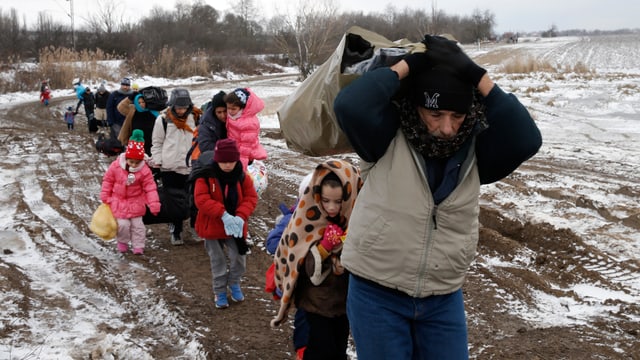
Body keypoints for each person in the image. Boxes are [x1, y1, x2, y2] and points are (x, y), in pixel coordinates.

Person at [333, 35, 543, 359]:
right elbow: (349, 105)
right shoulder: (385, 134)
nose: (447, 128)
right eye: (436, 115)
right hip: (377, 293)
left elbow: (527, 138)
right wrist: (409, 66)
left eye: (457, 117)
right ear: (417, 107)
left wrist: (476, 74)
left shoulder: (477, 148)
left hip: (442, 298)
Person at [271, 159, 363, 360]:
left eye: (338, 202)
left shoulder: (357, 220)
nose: (331, 208)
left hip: (344, 302)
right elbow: (304, 266)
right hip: (316, 303)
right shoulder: (308, 220)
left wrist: (345, 255)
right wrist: (324, 249)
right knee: (320, 350)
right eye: (326, 200)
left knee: (339, 349)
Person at [193, 138, 258, 309]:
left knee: (239, 258)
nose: (227, 165)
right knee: (218, 261)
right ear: (217, 159)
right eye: (223, 161)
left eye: (231, 161)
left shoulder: (242, 176)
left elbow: (251, 197)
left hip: (235, 226)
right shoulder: (206, 176)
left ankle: (234, 282)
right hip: (212, 225)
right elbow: (201, 199)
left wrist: (240, 216)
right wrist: (222, 214)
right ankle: (220, 291)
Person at [265, 172, 313, 360]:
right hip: (302, 280)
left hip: (330, 287)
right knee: (305, 318)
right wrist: (297, 250)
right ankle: (302, 352)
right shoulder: (293, 218)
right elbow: (273, 242)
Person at [150, 87, 202, 245]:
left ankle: (195, 227)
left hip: (192, 168)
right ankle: (176, 231)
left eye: (184, 108)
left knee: (195, 200)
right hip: (170, 168)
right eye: (178, 108)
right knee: (173, 202)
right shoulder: (163, 120)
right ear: (172, 105)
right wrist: (159, 160)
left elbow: (202, 141)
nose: (181, 111)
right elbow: (157, 143)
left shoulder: (197, 118)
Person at [100, 129, 161, 255]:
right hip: (119, 201)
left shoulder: (144, 171)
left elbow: (150, 187)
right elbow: (108, 180)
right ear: (126, 158)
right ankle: (122, 241)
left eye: (137, 162)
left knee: (138, 226)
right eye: (131, 162)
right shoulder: (116, 166)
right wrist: (105, 195)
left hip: (136, 202)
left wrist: (154, 203)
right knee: (123, 225)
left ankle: (138, 246)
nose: (133, 165)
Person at [224, 88, 267, 170]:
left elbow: (245, 149)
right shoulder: (235, 116)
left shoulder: (248, 124)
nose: (229, 111)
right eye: (228, 108)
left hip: (245, 156)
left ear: (243, 108)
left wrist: (242, 168)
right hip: (234, 150)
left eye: (233, 109)